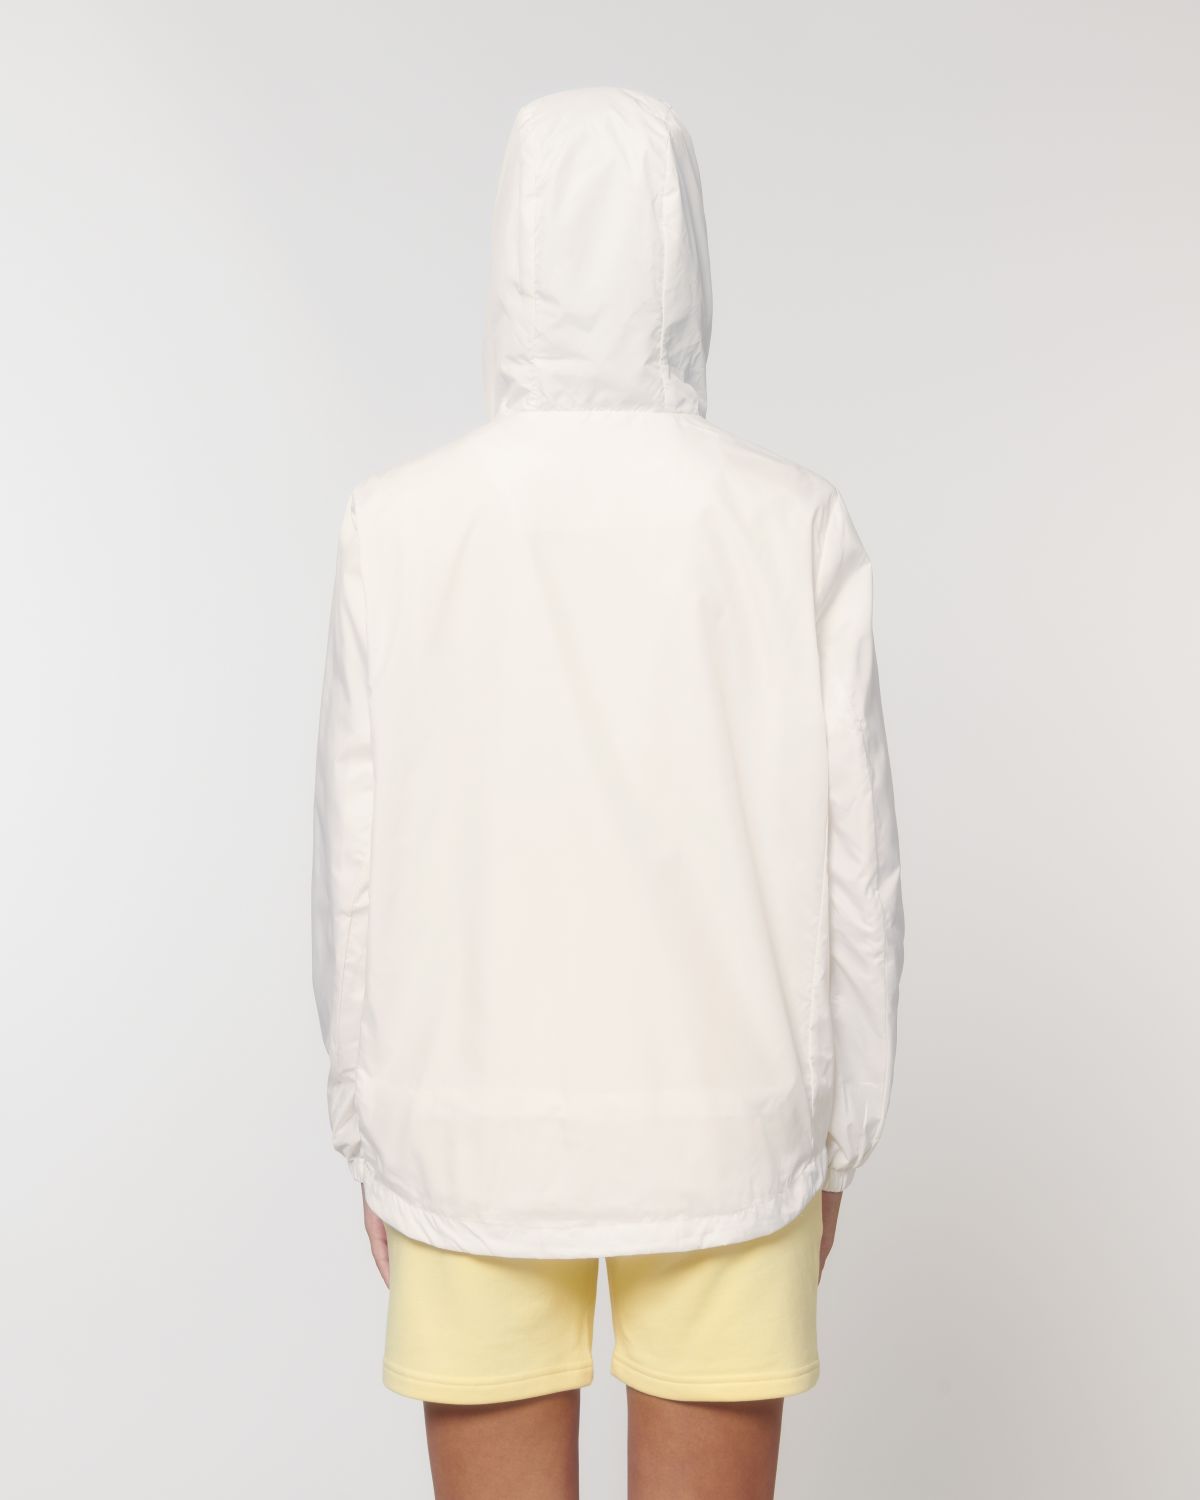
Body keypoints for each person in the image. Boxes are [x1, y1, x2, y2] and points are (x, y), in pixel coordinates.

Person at [311, 85, 905, 1500]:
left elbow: (352, 858)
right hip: (731, 1107)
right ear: (685, 253)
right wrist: (838, 1137)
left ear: (511, 254)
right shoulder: (791, 521)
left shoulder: (398, 525)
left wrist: (367, 1123)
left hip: (466, 1113)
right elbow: (859, 866)